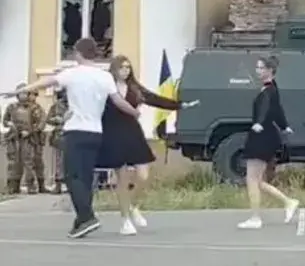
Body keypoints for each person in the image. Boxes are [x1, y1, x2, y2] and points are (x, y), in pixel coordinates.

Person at [1, 38, 140, 238]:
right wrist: (134, 113)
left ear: (78, 53)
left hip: (76, 132)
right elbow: (118, 101)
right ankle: (80, 223)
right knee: (84, 177)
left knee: (71, 176)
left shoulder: (72, 74)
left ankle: (87, 217)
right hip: (96, 133)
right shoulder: (105, 78)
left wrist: (21, 90)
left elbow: (47, 81)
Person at [97, 55, 198, 235]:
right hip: (113, 133)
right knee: (122, 178)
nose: (125, 71)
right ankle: (125, 220)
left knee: (143, 174)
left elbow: (154, 99)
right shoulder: (105, 87)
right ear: (114, 69)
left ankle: (134, 205)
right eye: (122, 67)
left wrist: (180, 105)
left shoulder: (134, 88)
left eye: (128, 67)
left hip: (132, 132)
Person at [238, 56, 300, 230]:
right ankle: (288, 201)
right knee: (256, 180)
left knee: (252, 179)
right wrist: (284, 126)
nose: (257, 71)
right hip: (266, 135)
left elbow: (266, 108)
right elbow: (277, 109)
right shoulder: (271, 89)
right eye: (257, 68)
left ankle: (256, 218)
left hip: (261, 136)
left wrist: (259, 122)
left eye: (260, 68)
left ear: (269, 71)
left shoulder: (268, 90)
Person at [2, 84, 46, 194]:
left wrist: (30, 131)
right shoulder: (11, 107)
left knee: (29, 162)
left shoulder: (35, 108)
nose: (23, 95)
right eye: (21, 93)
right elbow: (5, 121)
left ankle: (31, 185)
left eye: (25, 93)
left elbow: (41, 123)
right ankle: (13, 186)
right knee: (13, 162)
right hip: (14, 138)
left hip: (29, 139)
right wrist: (10, 124)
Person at [47, 90, 67, 193]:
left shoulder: (77, 104)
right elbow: (48, 119)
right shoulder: (56, 106)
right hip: (59, 136)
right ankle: (58, 185)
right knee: (59, 162)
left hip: (73, 134)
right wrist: (56, 119)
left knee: (72, 161)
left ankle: (71, 185)